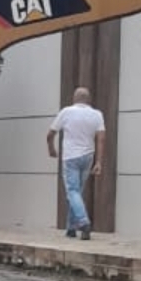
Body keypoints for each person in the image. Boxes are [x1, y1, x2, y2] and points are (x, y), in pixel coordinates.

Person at [47, 86, 106, 241]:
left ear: (74, 98)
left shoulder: (66, 112)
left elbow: (50, 134)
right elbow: (101, 139)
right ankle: (71, 228)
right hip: (88, 156)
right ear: (88, 99)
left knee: (72, 191)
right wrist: (98, 162)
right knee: (76, 192)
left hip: (70, 157)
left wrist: (51, 149)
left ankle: (83, 222)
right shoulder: (97, 115)